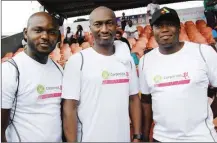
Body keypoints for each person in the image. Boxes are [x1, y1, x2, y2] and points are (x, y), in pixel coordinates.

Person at [62, 6, 142, 142]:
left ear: (116, 26)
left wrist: (137, 136)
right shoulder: (77, 61)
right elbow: (69, 108)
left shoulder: (126, 60)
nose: (104, 29)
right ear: (90, 27)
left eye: (109, 23)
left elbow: (133, 99)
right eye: (98, 24)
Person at [139, 7, 217, 142]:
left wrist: (209, 113)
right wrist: (145, 137)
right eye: (159, 26)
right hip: (161, 138)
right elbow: (146, 101)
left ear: (179, 27)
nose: (164, 29)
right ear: (153, 30)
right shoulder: (145, 61)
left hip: (201, 137)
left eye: (170, 24)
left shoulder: (203, 52)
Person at [1, 12, 63, 142]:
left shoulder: (59, 70)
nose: (45, 36)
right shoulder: (10, 71)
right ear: (25, 33)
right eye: (38, 30)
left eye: (51, 32)